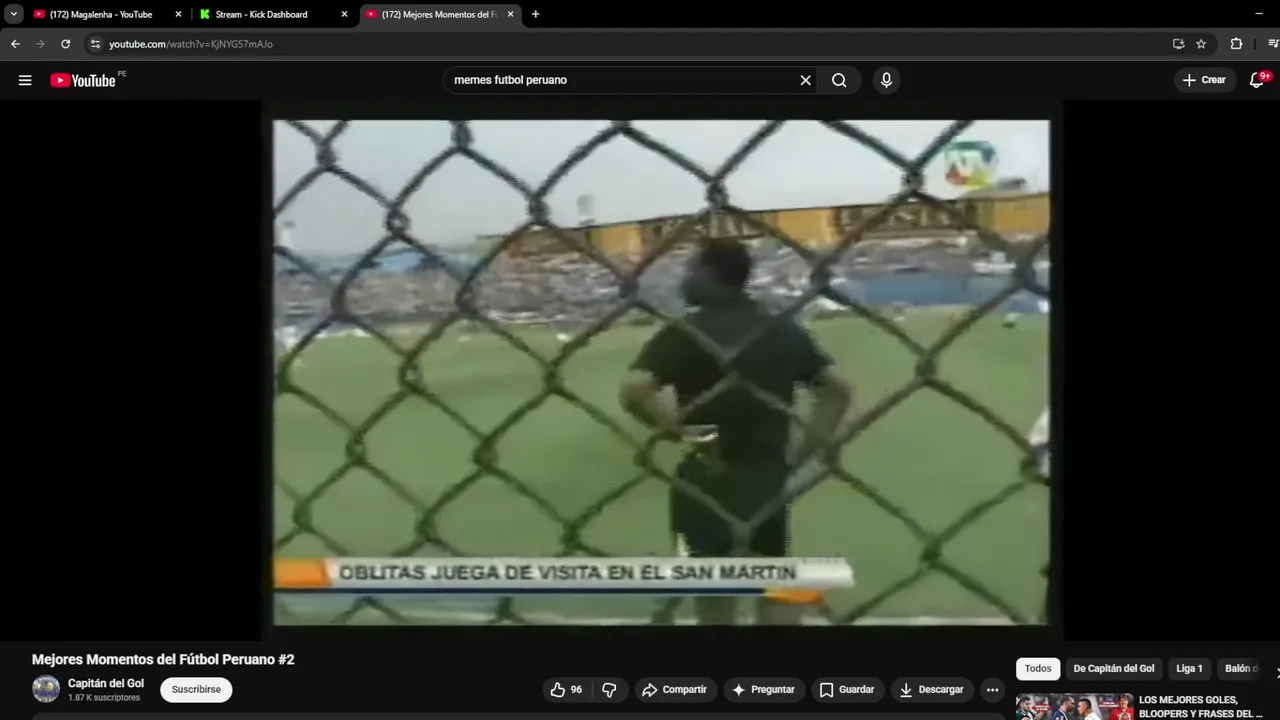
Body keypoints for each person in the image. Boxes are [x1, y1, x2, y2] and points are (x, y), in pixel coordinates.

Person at [619, 237, 854, 625]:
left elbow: (635, 391)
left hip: (707, 475)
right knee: (774, 578)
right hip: (766, 475)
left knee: (714, 593)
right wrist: (800, 456)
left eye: (691, 269)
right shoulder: (780, 329)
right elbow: (837, 393)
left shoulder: (686, 331)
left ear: (711, 275)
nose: (684, 278)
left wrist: (686, 434)